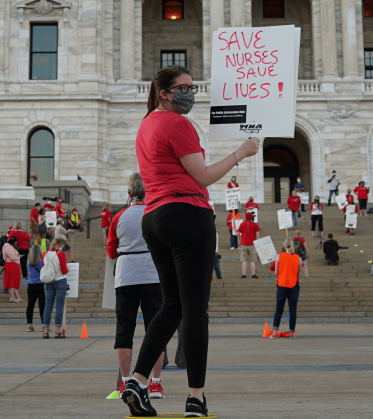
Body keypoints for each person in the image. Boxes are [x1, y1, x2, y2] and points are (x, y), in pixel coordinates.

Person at [123, 64, 259, 417]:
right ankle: (196, 397)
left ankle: (136, 380)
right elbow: (202, 176)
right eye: (183, 87)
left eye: (193, 86)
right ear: (164, 92)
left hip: (154, 218)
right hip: (186, 214)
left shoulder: (146, 124)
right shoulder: (177, 123)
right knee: (195, 310)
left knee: (173, 306)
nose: (190, 93)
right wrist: (240, 153)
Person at [108, 173, 167, 399]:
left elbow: (111, 250)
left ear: (129, 194)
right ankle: (155, 384)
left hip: (126, 276)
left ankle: (124, 382)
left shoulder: (119, 217)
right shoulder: (157, 214)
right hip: (153, 274)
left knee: (125, 330)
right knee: (156, 329)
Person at [269, 239, 304, 338]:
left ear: (284, 246)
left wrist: (278, 276)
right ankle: (292, 333)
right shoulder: (298, 258)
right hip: (294, 285)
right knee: (293, 310)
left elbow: (275, 273)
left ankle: (275, 332)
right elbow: (299, 273)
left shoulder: (279, 256)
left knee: (279, 309)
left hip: (282, 284)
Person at [42, 238, 69, 339]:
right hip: (60, 280)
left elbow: (44, 266)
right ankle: (57, 332)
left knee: (48, 305)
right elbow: (64, 270)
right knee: (59, 306)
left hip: (48, 281)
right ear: (60, 244)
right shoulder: (61, 254)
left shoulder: (45, 254)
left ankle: (45, 331)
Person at [25, 244, 45, 333]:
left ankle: (30, 325)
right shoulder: (42, 263)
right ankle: (43, 325)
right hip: (41, 284)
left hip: (31, 284)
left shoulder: (28, 262)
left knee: (30, 305)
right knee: (42, 305)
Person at [237, 212, 260, 279]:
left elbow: (237, 234)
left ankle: (244, 275)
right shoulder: (255, 225)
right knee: (253, 260)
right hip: (252, 244)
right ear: (251, 217)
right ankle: (253, 275)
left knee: (244, 260)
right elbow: (257, 235)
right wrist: (258, 242)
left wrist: (234, 230)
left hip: (244, 244)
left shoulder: (242, 224)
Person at [1, 237, 24, 303]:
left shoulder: (8, 247)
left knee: (13, 282)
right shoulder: (8, 247)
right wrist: (19, 257)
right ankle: (12, 298)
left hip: (13, 265)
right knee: (11, 282)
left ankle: (18, 297)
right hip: (11, 265)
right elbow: (12, 257)